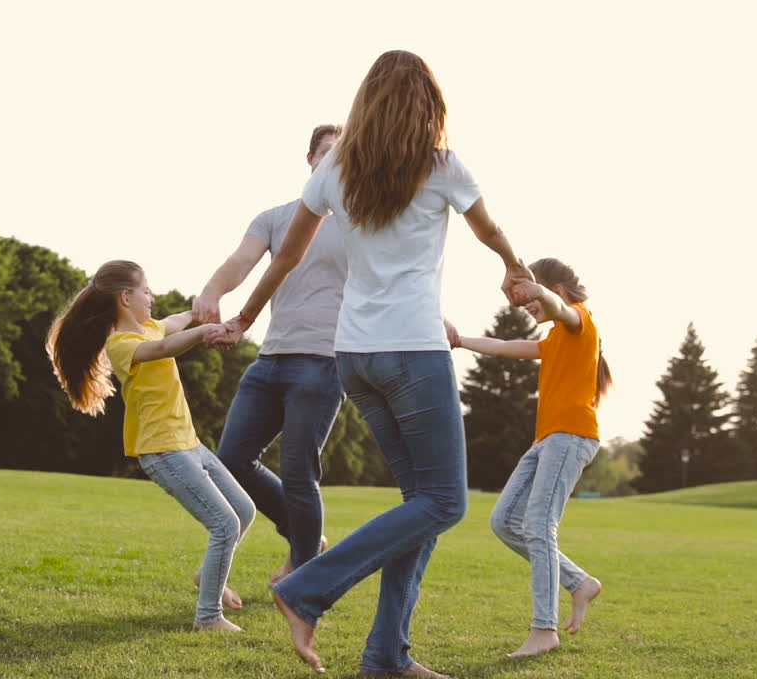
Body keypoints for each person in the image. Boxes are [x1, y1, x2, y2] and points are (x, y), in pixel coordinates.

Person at [218, 50, 531, 677]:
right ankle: (308, 588)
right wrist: (513, 267)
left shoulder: (335, 169)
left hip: (354, 355)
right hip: (413, 351)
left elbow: (286, 257)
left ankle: (386, 655)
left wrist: (247, 314)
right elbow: (489, 228)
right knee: (446, 502)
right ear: (429, 106)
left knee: (421, 505)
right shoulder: (441, 166)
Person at [46, 260, 256, 632]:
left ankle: (206, 574)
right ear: (126, 298)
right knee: (224, 524)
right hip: (163, 452)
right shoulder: (123, 343)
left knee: (244, 510)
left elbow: (177, 322)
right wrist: (203, 330)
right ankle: (208, 617)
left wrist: (204, 309)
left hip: (190, 445)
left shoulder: (149, 326)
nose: (152, 296)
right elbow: (164, 347)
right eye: (146, 290)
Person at [192, 123, 346, 584]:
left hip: (323, 362)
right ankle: (307, 542)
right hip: (271, 359)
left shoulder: (363, 224)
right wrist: (211, 292)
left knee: (300, 472)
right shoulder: (275, 218)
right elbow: (241, 261)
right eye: (328, 153)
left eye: (345, 155)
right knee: (232, 459)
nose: (336, 162)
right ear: (311, 160)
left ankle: (304, 570)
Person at [455, 258, 610, 657]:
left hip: (571, 435)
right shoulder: (554, 339)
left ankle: (545, 629)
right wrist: (459, 340)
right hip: (547, 440)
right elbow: (505, 347)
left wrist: (531, 287)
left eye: (529, 297)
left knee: (539, 524)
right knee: (504, 521)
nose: (525, 307)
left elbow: (558, 307)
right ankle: (579, 582)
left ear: (554, 289)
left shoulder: (579, 319)